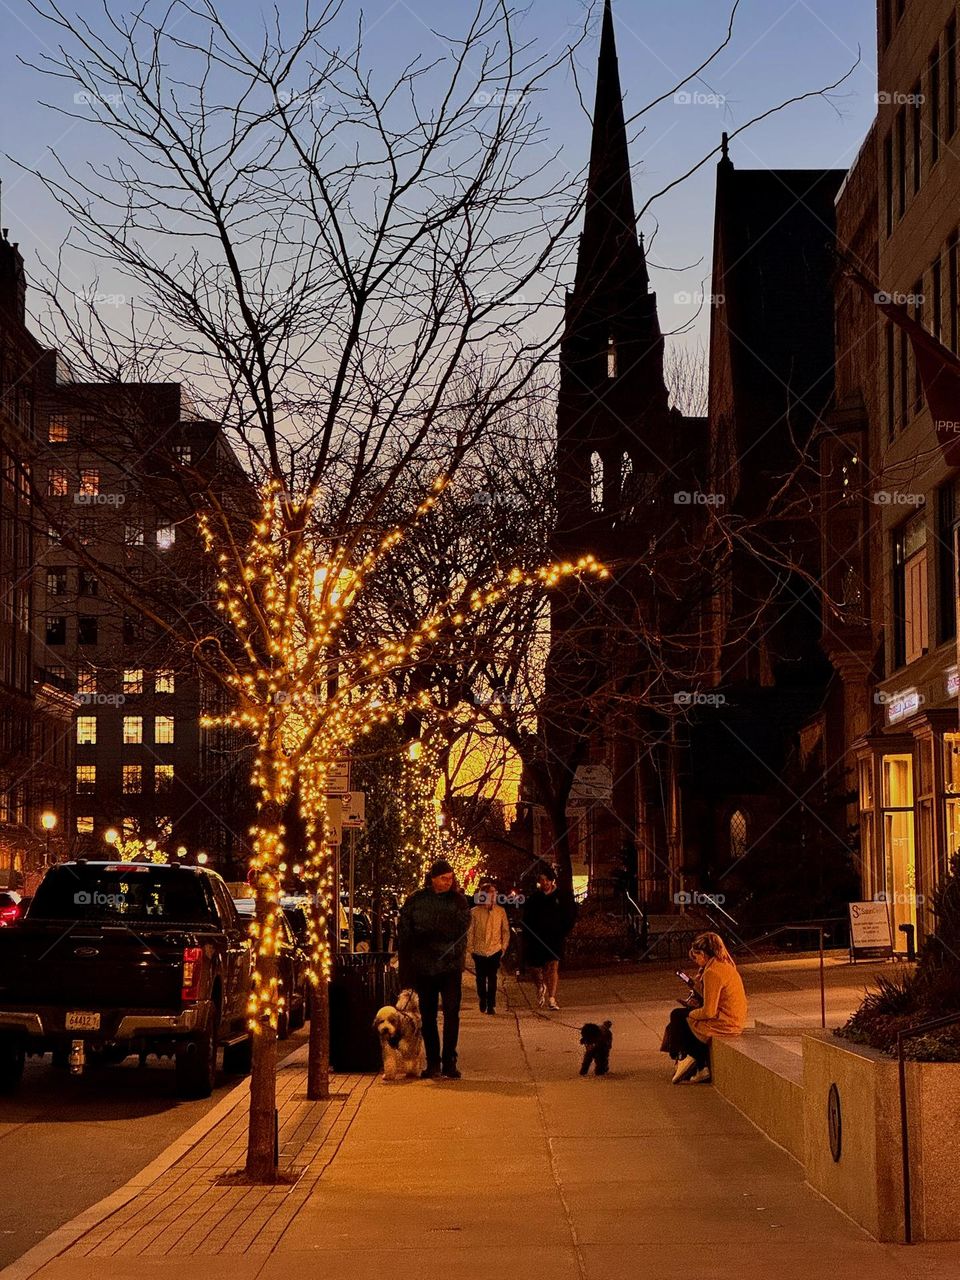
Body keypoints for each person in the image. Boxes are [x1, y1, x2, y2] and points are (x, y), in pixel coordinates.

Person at [398, 859, 471, 1079]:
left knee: (451, 1013)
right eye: (443, 878)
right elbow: (405, 932)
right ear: (433, 879)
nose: (448, 882)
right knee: (429, 1016)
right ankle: (434, 1063)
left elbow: (461, 931)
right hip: (425, 967)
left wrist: (452, 953)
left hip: (448, 968)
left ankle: (449, 1061)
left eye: (450, 878)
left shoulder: (457, 901)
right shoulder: (417, 900)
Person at [667, 932, 747, 1084]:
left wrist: (692, 1013)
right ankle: (693, 1062)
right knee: (681, 1017)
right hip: (733, 1019)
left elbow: (709, 1011)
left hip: (725, 1023)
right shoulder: (724, 965)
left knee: (678, 1016)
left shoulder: (712, 972)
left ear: (703, 954)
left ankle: (692, 1060)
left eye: (696, 957)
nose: (696, 961)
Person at [521, 864, 576, 1011]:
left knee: (553, 966)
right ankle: (540, 985)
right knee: (535, 967)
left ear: (552, 880)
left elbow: (570, 916)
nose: (544, 883)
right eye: (542, 880)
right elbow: (527, 918)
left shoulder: (562, 897)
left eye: (547, 880)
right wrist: (528, 934)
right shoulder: (534, 898)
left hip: (555, 938)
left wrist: (563, 931)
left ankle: (552, 998)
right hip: (537, 938)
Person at [467, 880, 511, 1015]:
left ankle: (491, 1004)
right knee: (480, 978)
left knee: (492, 977)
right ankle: (483, 998)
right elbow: (470, 931)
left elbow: (505, 930)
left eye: (494, 892)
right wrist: (471, 948)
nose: (493, 894)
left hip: (495, 949)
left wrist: (503, 947)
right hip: (479, 950)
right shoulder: (474, 912)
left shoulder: (500, 911)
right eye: (491, 892)